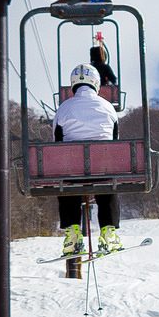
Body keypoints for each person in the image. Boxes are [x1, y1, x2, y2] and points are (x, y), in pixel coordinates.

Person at [54, 63, 122, 255]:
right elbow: (115, 140)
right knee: (109, 183)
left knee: (67, 184)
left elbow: (56, 141)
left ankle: (73, 234)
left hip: (72, 172)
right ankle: (108, 232)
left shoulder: (64, 109)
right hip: (103, 170)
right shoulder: (108, 107)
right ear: (96, 83)